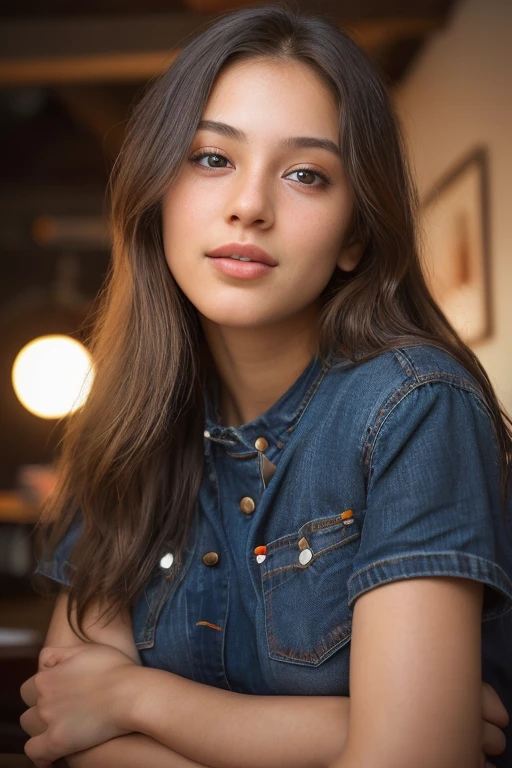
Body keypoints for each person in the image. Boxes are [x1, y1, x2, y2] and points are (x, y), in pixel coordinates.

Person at [18, 5, 512, 768]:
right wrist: (338, 734)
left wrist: (135, 700)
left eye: (306, 174)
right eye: (212, 159)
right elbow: (66, 727)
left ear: (354, 233)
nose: (250, 205)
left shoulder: (415, 407)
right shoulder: (123, 423)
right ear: (158, 191)